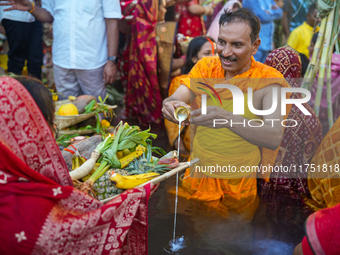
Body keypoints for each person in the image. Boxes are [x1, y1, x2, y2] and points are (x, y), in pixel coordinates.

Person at [0, 76, 155, 254]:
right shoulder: (32, 207)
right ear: (31, 128)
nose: (51, 130)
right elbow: (83, 234)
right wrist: (138, 196)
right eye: (48, 122)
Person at [162, 8, 291, 220]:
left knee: (230, 244)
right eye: (222, 42)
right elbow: (174, 99)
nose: (226, 52)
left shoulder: (268, 81)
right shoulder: (206, 68)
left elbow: (273, 137)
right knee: (194, 233)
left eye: (237, 45)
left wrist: (227, 119)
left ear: (255, 46)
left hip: (238, 182)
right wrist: (170, 106)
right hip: (198, 171)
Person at [258, 46, 323, 240]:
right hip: (293, 194)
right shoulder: (309, 116)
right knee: (286, 240)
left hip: (258, 187)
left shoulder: (258, 106)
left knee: (258, 236)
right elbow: (311, 163)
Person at [0, 0, 122, 100]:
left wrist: (111, 60)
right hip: (62, 61)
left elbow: (112, 22)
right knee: (66, 113)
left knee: (96, 113)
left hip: (92, 61)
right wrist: (32, 8)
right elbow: (49, 16)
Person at [165, 36, 216, 156]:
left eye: (216, 53)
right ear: (194, 58)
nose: (213, 57)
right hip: (191, 147)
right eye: (207, 53)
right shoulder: (181, 82)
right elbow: (173, 123)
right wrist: (181, 152)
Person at [124, 0, 169, 125]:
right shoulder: (150, 30)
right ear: (153, 9)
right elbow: (154, 64)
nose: (165, 11)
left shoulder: (141, 25)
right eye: (163, 7)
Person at [0, 4, 43, 79]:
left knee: (36, 59)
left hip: (36, 13)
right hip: (13, 15)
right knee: (17, 59)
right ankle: (13, 88)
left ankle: (35, 89)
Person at [309, 33, 340, 135]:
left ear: (318, 47)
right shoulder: (337, 65)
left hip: (312, 123)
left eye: (312, 45)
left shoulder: (311, 67)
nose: (309, 48)